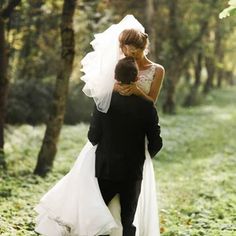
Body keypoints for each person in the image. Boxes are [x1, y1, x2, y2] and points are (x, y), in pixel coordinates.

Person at [34, 15, 164, 236]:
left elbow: (151, 100)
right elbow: (102, 104)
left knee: (123, 206)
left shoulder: (156, 70)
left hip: (133, 145)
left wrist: (135, 91)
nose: (129, 54)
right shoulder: (117, 66)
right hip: (112, 147)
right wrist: (114, 91)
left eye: (134, 49)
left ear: (144, 47)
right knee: (100, 200)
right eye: (125, 49)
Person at [88, 56, 163, 236]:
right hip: (132, 170)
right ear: (137, 79)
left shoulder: (103, 103)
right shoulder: (147, 106)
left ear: (115, 77)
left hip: (106, 168)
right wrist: (142, 157)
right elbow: (157, 143)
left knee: (97, 217)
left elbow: (93, 137)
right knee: (128, 222)